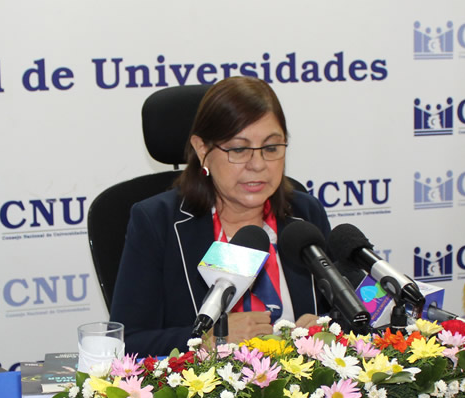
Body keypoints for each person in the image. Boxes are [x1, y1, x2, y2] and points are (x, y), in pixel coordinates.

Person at [110, 77, 332, 357]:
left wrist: (326, 327)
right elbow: (127, 342)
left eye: (271, 148)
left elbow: (348, 310)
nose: (258, 164)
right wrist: (209, 338)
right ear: (202, 149)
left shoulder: (305, 215)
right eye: (239, 149)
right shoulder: (157, 222)